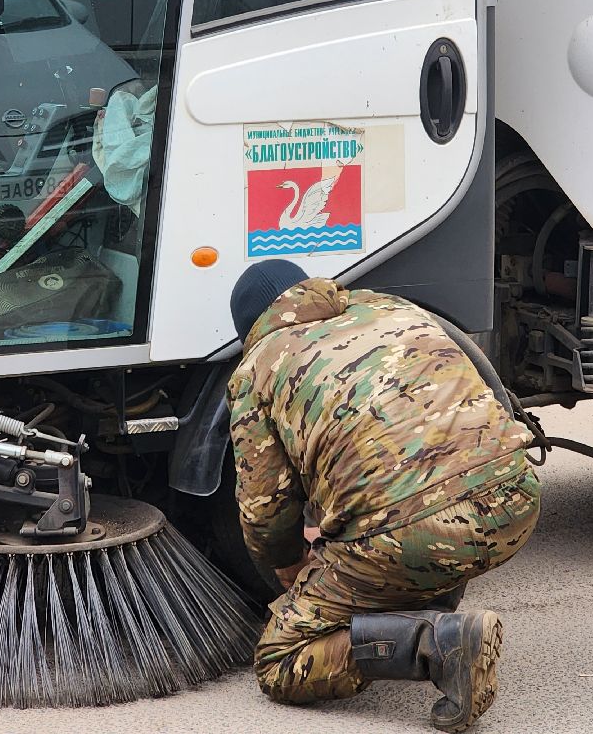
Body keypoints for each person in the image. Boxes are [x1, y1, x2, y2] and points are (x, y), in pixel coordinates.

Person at [226, 259, 541, 732]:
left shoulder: (256, 369)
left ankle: (436, 644)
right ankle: (425, 602)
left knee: (279, 661)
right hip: (515, 500)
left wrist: (289, 564)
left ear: (251, 328)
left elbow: (265, 508)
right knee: (408, 521)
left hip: (415, 535)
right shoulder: (390, 307)